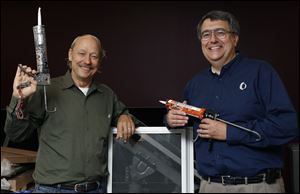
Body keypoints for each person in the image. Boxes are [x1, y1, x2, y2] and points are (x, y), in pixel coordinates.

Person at [165, 10, 298, 193]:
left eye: (220, 32)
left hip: (257, 186)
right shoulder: (195, 84)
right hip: (209, 186)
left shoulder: (261, 72)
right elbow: (187, 122)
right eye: (206, 34)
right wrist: (171, 120)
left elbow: (287, 125)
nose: (212, 40)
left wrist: (230, 132)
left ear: (234, 38)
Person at [4, 34, 141, 193]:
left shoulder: (107, 95)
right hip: (52, 190)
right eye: (81, 54)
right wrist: (18, 97)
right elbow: (15, 134)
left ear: (99, 61)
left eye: (94, 56)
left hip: (97, 189)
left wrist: (125, 116)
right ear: (70, 54)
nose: (87, 61)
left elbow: (129, 120)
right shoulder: (46, 90)